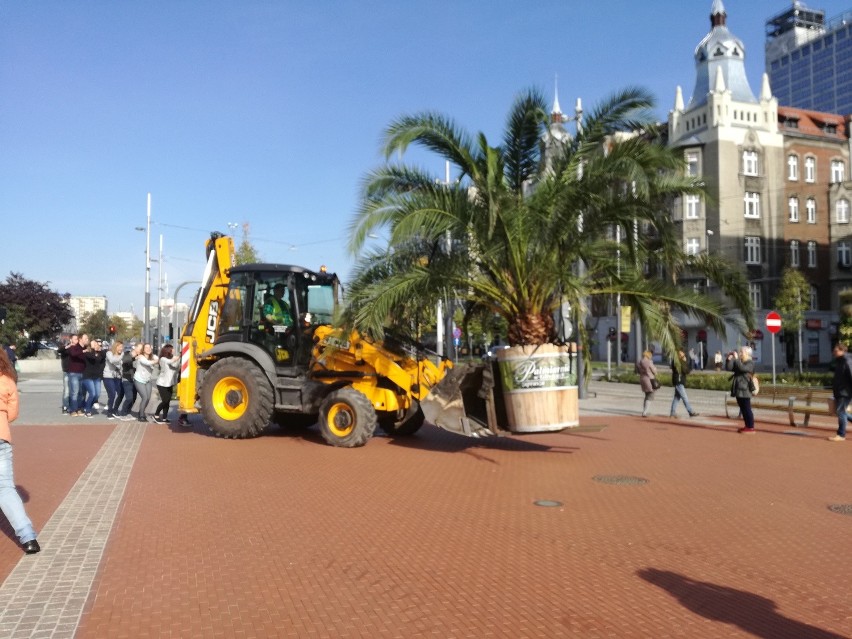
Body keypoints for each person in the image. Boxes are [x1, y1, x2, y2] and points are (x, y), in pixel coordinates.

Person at [0, 348, 40, 554]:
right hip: (1, 436)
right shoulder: (6, 379)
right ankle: (28, 537)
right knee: (5, 488)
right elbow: (13, 413)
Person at [727, 345, 755, 433]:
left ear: (747, 353)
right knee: (742, 408)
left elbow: (742, 368)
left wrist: (736, 359)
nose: (740, 354)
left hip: (745, 388)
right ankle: (747, 425)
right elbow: (729, 368)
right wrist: (729, 359)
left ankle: (750, 426)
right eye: (739, 352)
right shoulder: (740, 361)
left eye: (741, 352)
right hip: (738, 387)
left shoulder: (750, 363)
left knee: (747, 408)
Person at [828, 342, 852, 442]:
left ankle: (841, 434)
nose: (834, 352)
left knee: (841, 412)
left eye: (836, 350)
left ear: (842, 350)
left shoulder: (847, 361)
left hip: (844, 392)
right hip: (839, 391)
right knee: (842, 412)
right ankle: (841, 434)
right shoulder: (839, 361)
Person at [153, 344, 179, 423]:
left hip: (169, 383)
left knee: (168, 401)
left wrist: (176, 359)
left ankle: (165, 417)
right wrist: (178, 357)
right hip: (162, 383)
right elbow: (171, 362)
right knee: (165, 401)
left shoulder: (172, 358)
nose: (174, 350)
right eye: (172, 349)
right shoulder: (163, 359)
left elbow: (175, 365)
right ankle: (156, 415)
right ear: (168, 350)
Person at [132, 343, 158, 422]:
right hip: (139, 379)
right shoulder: (141, 357)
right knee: (145, 397)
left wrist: (158, 359)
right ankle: (141, 416)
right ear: (143, 350)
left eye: (149, 347)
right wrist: (156, 361)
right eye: (146, 347)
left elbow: (158, 358)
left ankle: (141, 411)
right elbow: (147, 363)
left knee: (148, 398)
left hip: (148, 380)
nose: (148, 349)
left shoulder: (153, 357)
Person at [670, 349, 699, 418]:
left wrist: (687, 361)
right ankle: (690, 411)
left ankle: (672, 413)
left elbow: (688, 370)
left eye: (682, 354)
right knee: (685, 397)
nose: (682, 355)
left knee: (676, 398)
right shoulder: (676, 362)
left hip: (680, 381)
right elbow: (684, 370)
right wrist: (684, 361)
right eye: (681, 354)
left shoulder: (681, 362)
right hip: (678, 381)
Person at [117, 343, 142, 421]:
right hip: (127, 379)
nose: (141, 350)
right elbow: (125, 360)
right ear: (135, 348)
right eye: (140, 349)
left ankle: (128, 412)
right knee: (129, 397)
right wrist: (134, 357)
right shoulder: (127, 354)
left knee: (134, 397)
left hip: (135, 379)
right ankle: (123, 413)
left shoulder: (141, 356)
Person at [81, 338, 106, 417]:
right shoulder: (87, 352)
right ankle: (87, 410)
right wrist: (93, 351)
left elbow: (102, 356)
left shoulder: (99, 352)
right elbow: (93, 357)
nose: (95, 345)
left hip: (97, 376)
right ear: (90, 346)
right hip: (88, 376)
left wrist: (99, 350)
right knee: (92, 393)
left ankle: (87, 406)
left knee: (97, 394)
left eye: (96, 344)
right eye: (93, 344)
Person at [66, 334, 89, 416]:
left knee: (81, 392)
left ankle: (79, 408)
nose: (87, 340)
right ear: (80, 339)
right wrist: (83, 351)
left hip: (82, 373)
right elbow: (73, 354)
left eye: (87, 338)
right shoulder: (73, 347)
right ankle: (73, 410)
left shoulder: (84, 348)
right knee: (74, 392)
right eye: (86, 338)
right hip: (73, 373)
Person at [103, 341, 124, 419]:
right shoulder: (109, 353)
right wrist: (122, 355)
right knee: (112, 394)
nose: (121, 348)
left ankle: (115, 409)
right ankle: (109, 411)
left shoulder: (121, 355)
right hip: (108, 377)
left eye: (122, 347)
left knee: (121, 393)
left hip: (117, 377)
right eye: (119, 346)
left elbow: (121, 367)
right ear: (115, 347)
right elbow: (113, 361)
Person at [58, 335, 78, 414]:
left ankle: (74, 406)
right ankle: (65, 406)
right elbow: (59, 350)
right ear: (71, 340)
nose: (76, 340)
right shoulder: (66, 347)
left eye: (77, 339)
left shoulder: (77, 348)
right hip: (67, 371)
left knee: (75, 390)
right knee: (67, 390)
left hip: (76, 371)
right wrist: (69, 346)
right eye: (75, 339)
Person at [637, 349, 658, 418]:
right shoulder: (649, 362)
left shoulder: (639, 362)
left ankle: (644, 410)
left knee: (647, 395)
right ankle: (645, 412)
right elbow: (654, 371)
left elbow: (637, 370)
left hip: (642, 379)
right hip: (650, 379)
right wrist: (655, 369)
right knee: (650, 395)